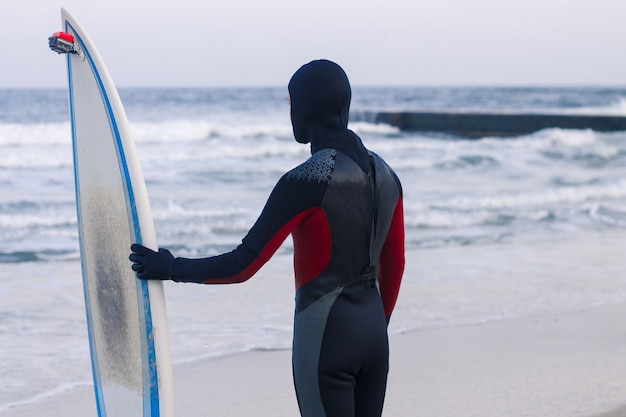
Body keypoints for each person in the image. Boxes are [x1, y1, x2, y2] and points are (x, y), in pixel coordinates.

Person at [129, 59, 405, 417]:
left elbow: (244, 263)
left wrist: (170, 267)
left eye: (291, 102)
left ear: (306, 107)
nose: (289, 111)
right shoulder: (387, 174)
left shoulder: (307, 179)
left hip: (326, 338)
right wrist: (372, 324)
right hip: (373, 336)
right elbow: (394, 264)